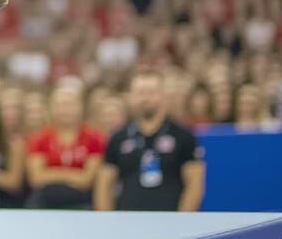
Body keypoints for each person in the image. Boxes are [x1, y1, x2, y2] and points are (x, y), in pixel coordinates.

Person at [94, 70, 205, 212]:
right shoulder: (118, 138)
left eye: (151, 92)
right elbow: (104, 185)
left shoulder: (183, 136)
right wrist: (106, 219)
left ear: (163, 95)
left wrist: (182, 220)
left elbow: (194, 185)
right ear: (131, 97)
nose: (145, 98)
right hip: (126, 220)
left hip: (170, 221)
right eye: (140, 93)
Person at [25, 84, 105, 209]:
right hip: (44, 204)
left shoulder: (95, 139)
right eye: (60, 105)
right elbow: (36, 178)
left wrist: (51, 172)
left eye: (70, 105)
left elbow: (87, 180)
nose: (65, 110)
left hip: (82, 204)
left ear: (81, 107)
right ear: (51, 108)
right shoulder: (39, 139)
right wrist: (74, 174)